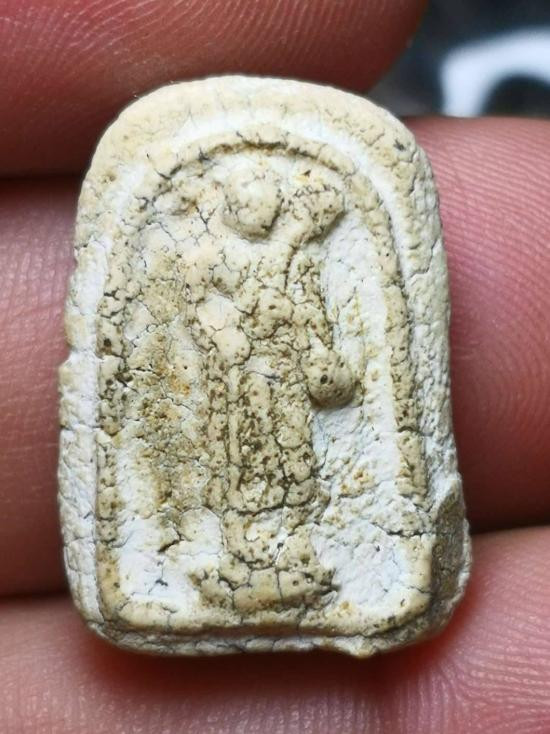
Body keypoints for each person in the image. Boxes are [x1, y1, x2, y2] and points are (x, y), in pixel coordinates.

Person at [1, 1, 549, 731]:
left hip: (284, 389)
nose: (257, 210)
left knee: (294, 475)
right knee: (238, 477)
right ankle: (240, 561)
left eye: (267, 200)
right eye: (245, 199)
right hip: (233, 394)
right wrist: (230, 326)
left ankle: (294, 557)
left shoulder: (295, 258)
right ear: (229, 206)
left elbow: (311, 316)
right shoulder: (211, 256)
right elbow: (199, 311)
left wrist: (317, 346)